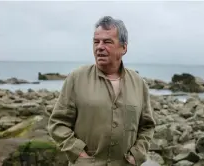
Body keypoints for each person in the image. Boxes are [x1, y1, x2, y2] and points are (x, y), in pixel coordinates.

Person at [48, 16, 155, 166]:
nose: (99, 47)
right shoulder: (76, 78)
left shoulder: (138, 83)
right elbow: (57, 124)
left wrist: (136, 155)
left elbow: (147, 126)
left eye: (107, 42)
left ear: (124, 47)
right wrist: (80, 155)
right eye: (96, 42)